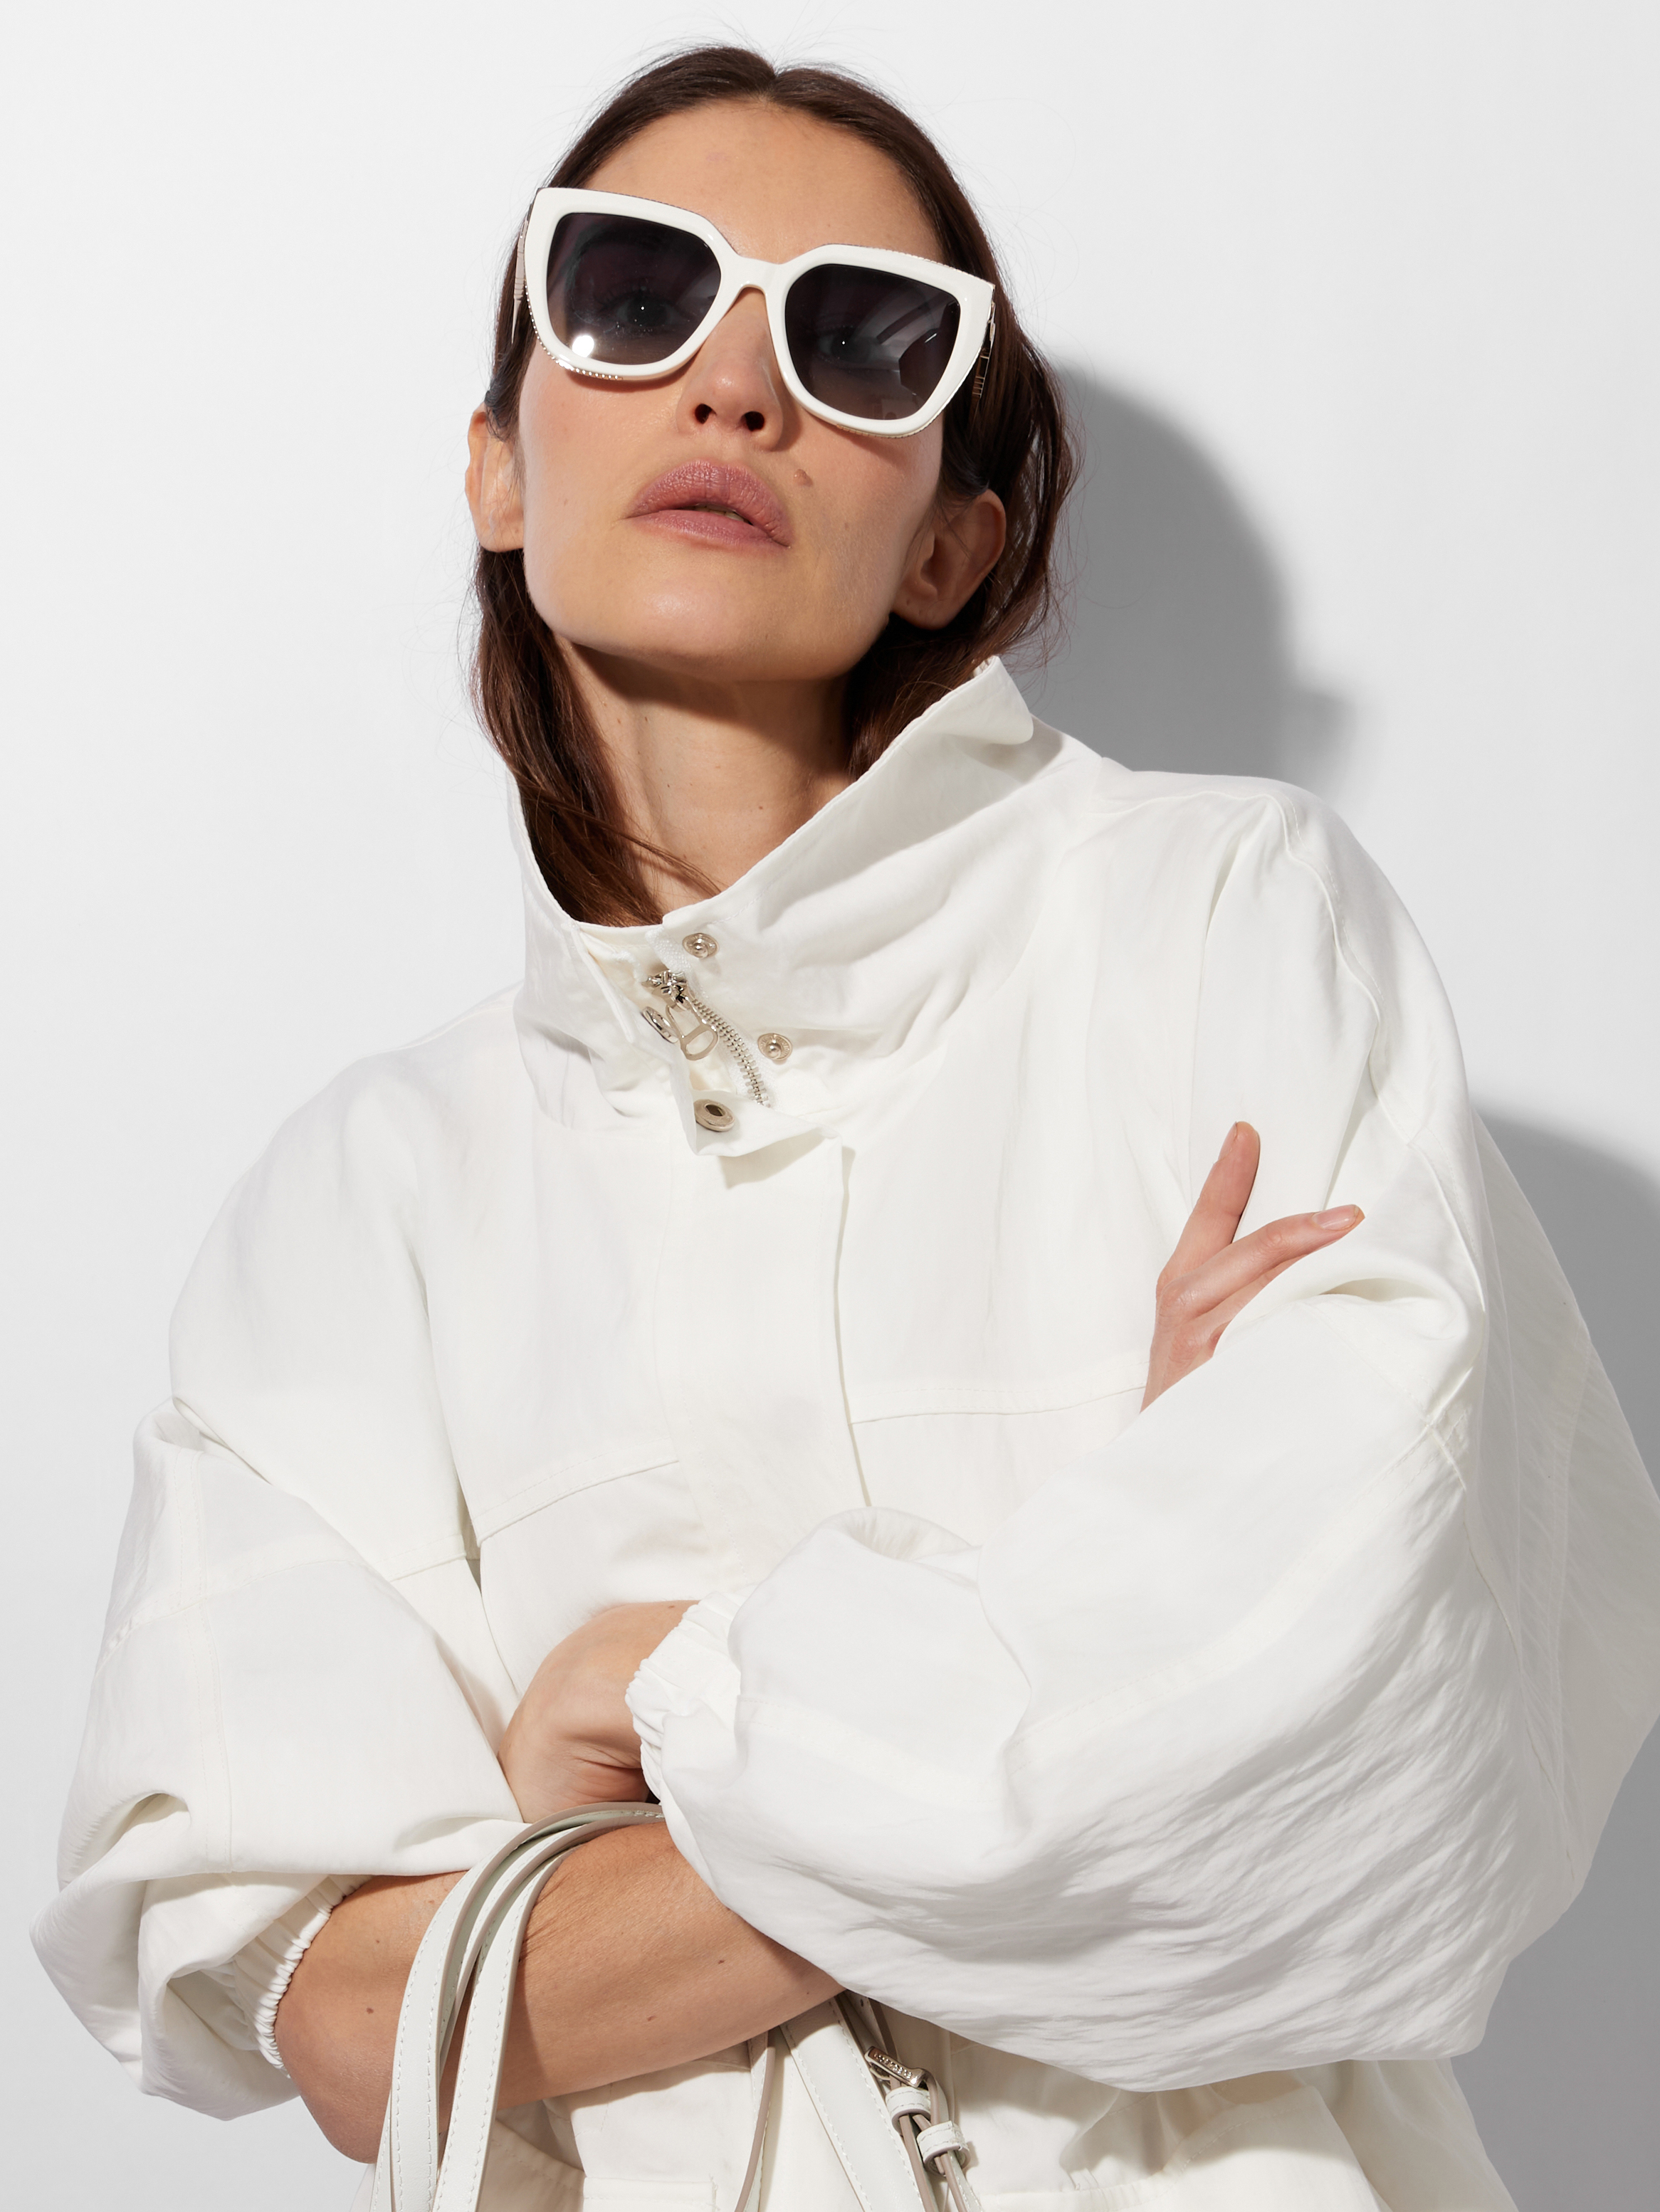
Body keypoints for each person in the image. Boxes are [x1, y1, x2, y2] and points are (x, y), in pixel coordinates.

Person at [33, 43, 1660, 2212]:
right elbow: (332, 2023)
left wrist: (650, 1734)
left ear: (952, 541)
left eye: (861, 338)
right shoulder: (357, 1198)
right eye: (634, 295)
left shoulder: (1221, 917)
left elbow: (1372, 1752)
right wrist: (1074, 1648)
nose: (733, 387)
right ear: (499, 459)